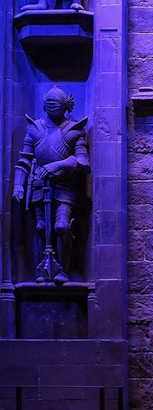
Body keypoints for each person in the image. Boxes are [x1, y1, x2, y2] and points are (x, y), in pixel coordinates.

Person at [13, 85, 89, 283]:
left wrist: (56, 165)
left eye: (56, 105)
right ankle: (44, 270)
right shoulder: (35, 129)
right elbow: (25, 160)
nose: (53, 108)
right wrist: (18, 185)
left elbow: (82, 160)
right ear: (44, 106)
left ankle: (62, 269)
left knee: (62, 226)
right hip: (39, 185)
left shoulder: (73, 131)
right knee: (40, 227)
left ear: (65, 107)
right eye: (50, 105)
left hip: (64, 187)